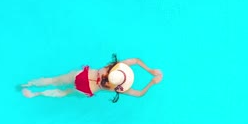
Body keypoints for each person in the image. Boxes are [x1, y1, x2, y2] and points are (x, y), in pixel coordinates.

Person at [20, 54, 163, 103]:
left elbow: (136, 60)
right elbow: (139, 94)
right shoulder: (117, 87)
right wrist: (152, 82)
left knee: (53, 80)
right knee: (65, 93)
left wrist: (150, 70)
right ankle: (35, 95)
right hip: (87, 89)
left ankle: (29, 84)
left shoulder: (113, 67)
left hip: (83, 75)